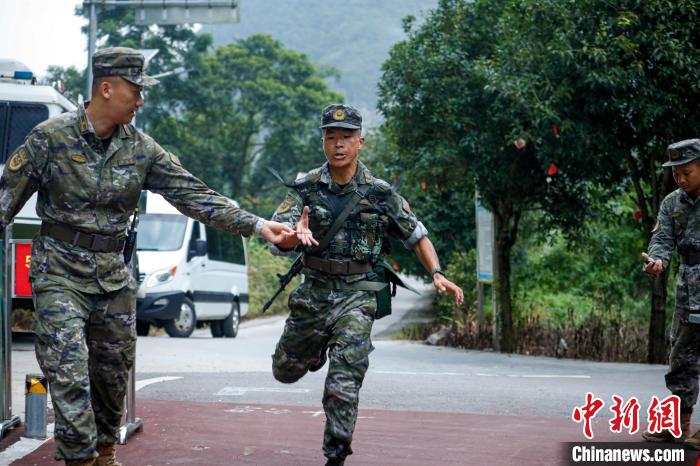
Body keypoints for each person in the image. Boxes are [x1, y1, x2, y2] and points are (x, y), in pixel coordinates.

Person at [0, 47, 293, 466]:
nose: (141, 100)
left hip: (113, 278)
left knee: (111, 375)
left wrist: (260, 225)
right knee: (67, 370)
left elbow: (195, 195)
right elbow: (3, 202)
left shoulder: (142, 150)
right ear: (107, 87)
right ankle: (79, 459)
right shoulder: (50, 139)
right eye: (135, 90)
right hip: (59, 273)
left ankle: (103, 453)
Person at [267, 104, 464, 465]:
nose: (338, 145)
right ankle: (313, 352)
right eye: (331, 138)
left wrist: (437, 272)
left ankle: (336, 455)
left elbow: (416, 235)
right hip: (314, 295)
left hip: (358, 297)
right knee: (284, 371)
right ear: (322, 142)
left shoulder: (379, 192)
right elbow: (276, 236)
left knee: (344, 380)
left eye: (345, 138)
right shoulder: (304, 188)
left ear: (360, 142)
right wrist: (295, 235)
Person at [642, 139, 700, 447]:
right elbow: (662, 239)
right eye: (676, 173)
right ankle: (679, 424)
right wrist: (658, 260)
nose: (680, 179)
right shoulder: (672, 203)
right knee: (681, 356)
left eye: (687, 172)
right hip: (688, 288)